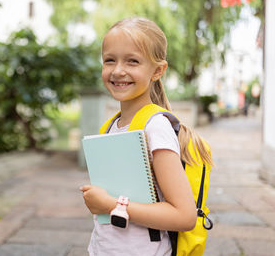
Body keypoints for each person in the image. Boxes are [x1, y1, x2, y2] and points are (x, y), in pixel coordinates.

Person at [80, 17, 213, 256]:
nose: (118, 70)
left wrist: (110, 204)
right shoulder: (110, 127)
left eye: (132, 61)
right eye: (110, 60)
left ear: (158, 71)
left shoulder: (156, 128)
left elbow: (184, 216)